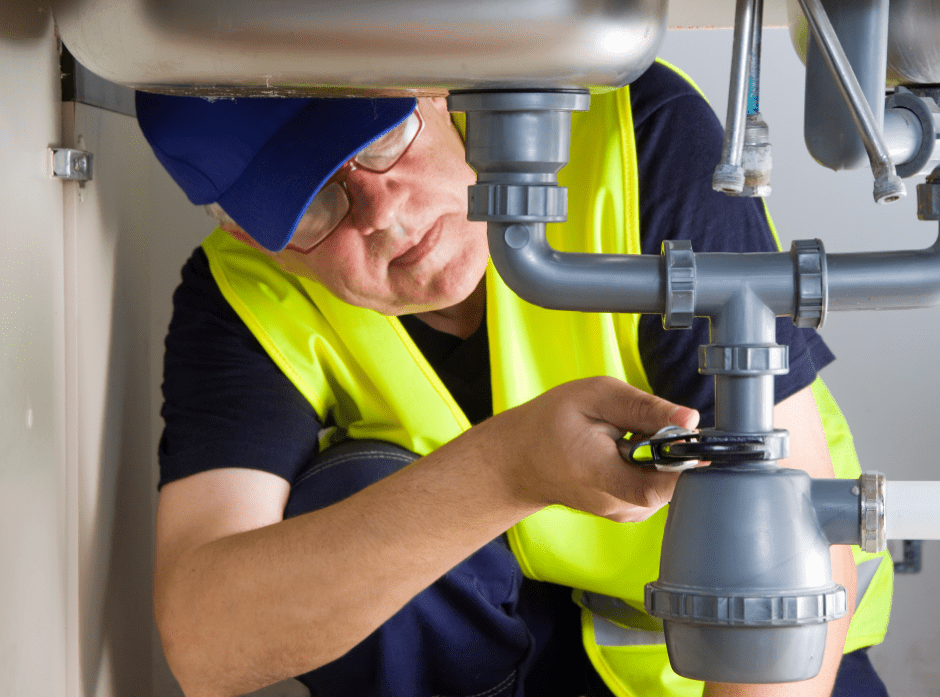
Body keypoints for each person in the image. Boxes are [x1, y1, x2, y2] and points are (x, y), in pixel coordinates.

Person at [137, 61, 893, 697]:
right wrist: (504, 469)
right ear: (247, 231)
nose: (382, 214)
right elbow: (207, 638)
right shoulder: (242, 297)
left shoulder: (632, 134)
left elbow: (787, 500)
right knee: (347, 500)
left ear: (433, 89)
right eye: (312, 205)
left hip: (779, 659)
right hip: (512, 673)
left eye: (380, 142)